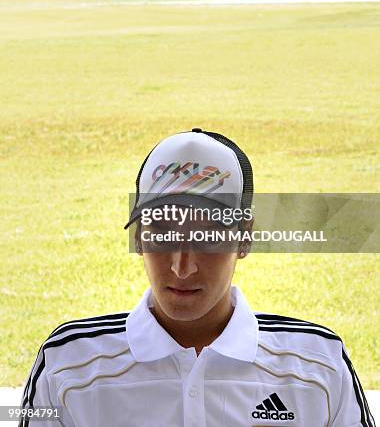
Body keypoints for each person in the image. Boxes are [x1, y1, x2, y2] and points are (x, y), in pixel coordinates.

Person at [19, 129, 375, 426]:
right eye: (162, 232)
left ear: (244, 239)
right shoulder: (67, 366)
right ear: (138, 237)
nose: (182, 266)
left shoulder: (319, 366)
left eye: (208, 235)